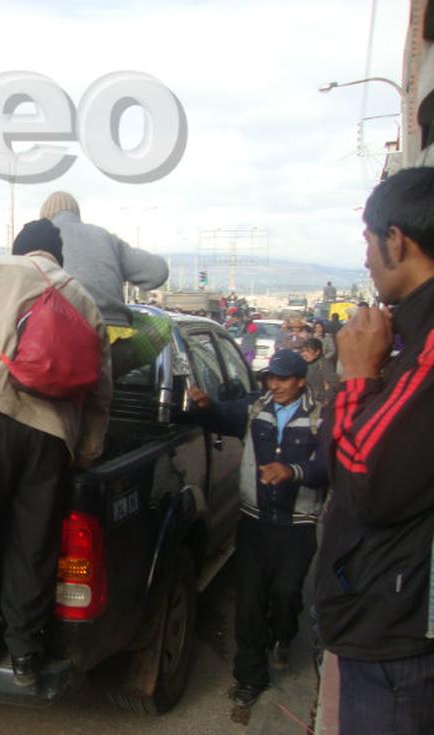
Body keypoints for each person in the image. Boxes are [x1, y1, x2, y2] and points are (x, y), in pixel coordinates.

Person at [0, 219, 112, 686]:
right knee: (33, 546)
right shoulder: (84, 299)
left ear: (20, 248)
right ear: (58, 256)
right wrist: (86, 448)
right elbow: (100, 389)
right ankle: (25, 652)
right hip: (50, 434)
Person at [314, 167, 434, 735]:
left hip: (398, 635)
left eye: (367, 241)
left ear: (396, 240)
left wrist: (357, 376)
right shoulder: (411, 335)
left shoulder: (427, 345)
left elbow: (365, 482)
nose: (364, 260)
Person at [189, 349, 327, 708]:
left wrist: (291, 472)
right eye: (270, 378)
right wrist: (205, 406)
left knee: (285, 592)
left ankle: (284, 634)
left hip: (297, 524)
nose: (275, 385)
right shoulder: (256, 410)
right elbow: (221, 415)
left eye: (283, 379)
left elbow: (328, 466)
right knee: (249, 600)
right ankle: (249, 677)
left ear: (300, 381)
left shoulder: (319, 418)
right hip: (254, 521)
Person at [39, 191, 168, 328]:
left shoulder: (38, 240)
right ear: (77, 214)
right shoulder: (105, 238)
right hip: (115, 333)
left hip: (62, 332)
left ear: (44, 217)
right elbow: (158, 272)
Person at [300, 337, 338, 407]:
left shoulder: (323, 364)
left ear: (317, 352)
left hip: (317, 405)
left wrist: (318, 395)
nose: (304, 354)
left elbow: (334, 386)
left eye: (307, 351)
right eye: (302, 351)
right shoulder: (303, 364)